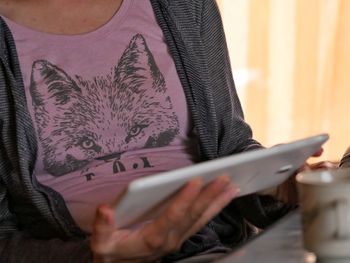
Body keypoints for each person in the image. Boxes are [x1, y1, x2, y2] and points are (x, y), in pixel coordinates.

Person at [0, 0, 324, 262]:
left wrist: (279, 185)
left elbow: (231, 146)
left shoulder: (184, 6)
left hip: (217, 250)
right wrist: (94, 257)